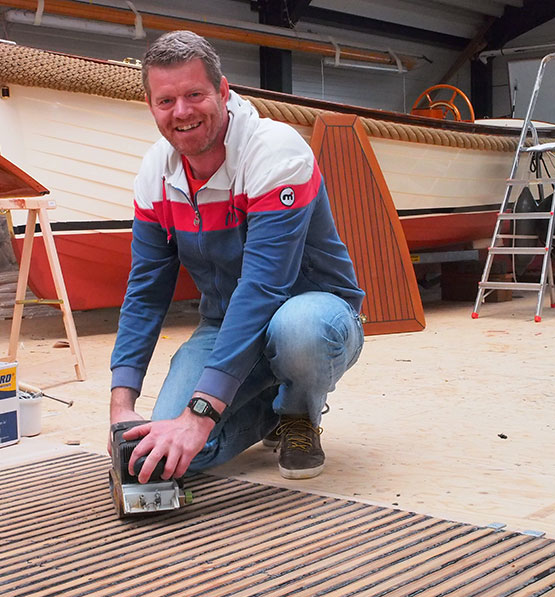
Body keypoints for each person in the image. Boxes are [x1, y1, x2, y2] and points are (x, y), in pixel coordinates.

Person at [109, 30, 365, 484]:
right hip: (225, 324)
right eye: (166, 101)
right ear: (150, 106)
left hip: (314, 312)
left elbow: (265, 288)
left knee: (298, 331)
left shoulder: (275, 152)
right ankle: (268, 409)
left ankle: (298, 413)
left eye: (194, 94)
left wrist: (202, 411)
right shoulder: (155, 173)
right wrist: (121, 409)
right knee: (167, 457)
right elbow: (146, 292)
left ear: (223, 91)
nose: (181, 112)